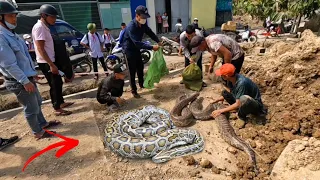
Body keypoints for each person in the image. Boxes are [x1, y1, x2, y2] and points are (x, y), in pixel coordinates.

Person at [0, 1, 60, 139]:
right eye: (10, 16)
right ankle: (37, 132)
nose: (14, 19)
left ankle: (43, 124)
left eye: (15, 16)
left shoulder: (12, 34)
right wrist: (25, 80)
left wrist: (32, 75)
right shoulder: (1, 37)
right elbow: (9, 65)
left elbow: (24, 58)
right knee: (31, 108)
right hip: (18, 81)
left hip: (27, 78)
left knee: (37, 102)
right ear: (1, 17)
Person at [32, 4, 74, 116]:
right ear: (43, 15)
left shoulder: (45, 27)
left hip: (51, 60)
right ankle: (57, 108)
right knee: (54, 85)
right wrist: (51, 64)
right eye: (52, 17)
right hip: (46, 62)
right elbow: (40, 49)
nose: (54, 19)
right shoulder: (39, 27)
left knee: (58, 82)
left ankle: (61, 103)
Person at [121, 5, 161, 98]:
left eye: (146, 17)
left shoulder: (143, 24)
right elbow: (137, 43)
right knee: (132, 71)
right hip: (129, 50)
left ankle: (141, 84)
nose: (144, 19)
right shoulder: (131, 26)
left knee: (140, 67)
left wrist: (157, 40)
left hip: (136, 49)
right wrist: (151, 47)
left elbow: (150, 32)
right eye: (143, 17)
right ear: (137, 16)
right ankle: (133, 90)